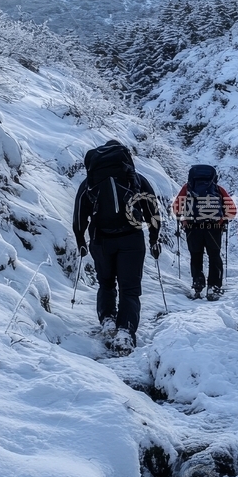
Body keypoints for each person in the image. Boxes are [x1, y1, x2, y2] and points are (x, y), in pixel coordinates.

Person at [73, 140, 161, 355]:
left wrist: (81, 242)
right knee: (130, 289)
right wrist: (153, 238)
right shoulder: (136, 179)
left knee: (106, 283)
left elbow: (78, 216)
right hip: (131, 239)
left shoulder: (90, 181)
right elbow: (152, 210)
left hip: (101, 240)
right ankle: (125, 332)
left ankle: (108, 320)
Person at [172, 164, 236, 301]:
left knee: (196, 256)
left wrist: (184, 220)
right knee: (214, 256)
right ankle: (214, 287)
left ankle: (198, 284)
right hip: (214, 228)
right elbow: (232, 210)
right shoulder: (218, 189)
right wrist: (221, 220)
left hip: (193, 228)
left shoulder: (188, 188)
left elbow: (176, 208)